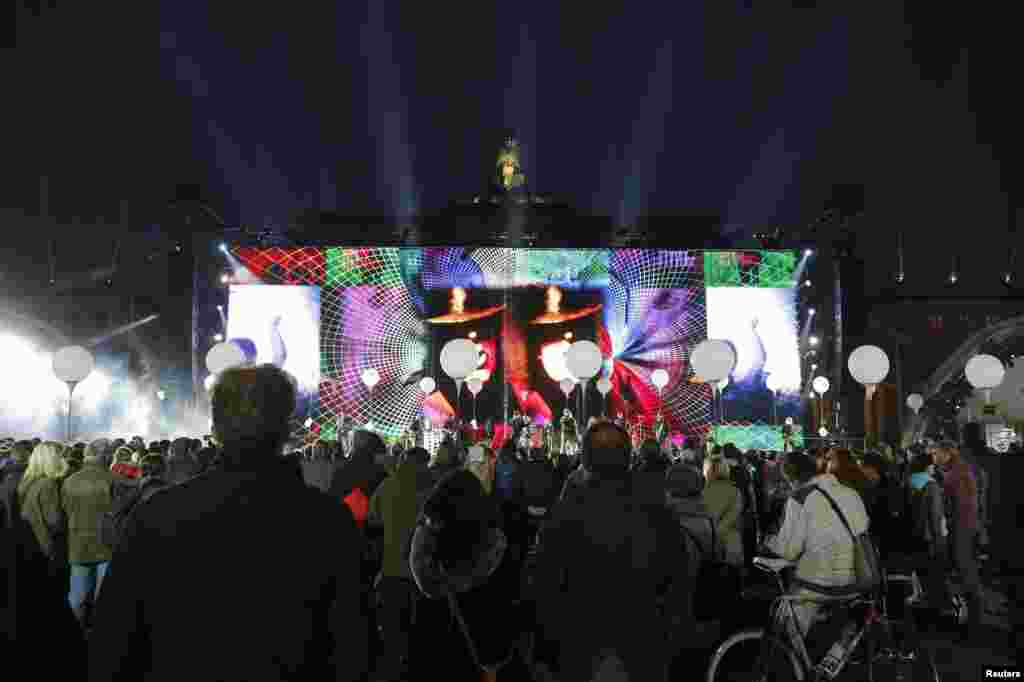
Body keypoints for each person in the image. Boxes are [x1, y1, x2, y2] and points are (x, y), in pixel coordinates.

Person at [88, 364, 368, 682]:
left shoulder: (159, 515)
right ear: (287, 429)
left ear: (216, 428)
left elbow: (113, 639)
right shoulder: (327, 522)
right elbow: (352, 646)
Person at [532, 422, 691, 681]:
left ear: (584, 460)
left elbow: (544, 587)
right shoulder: (659, 515)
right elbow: (677, 586)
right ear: (629, 458)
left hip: (578, 649)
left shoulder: (563, 515)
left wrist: (547, 654)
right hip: (643, 648)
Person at [409, 469, 517, 681]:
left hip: (432, 660)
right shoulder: (493, 551)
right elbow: (499, 620)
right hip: (476, 661)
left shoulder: (428, 554)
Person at [763, 450, 870, 655]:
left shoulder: (799, 498)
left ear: (790, 477)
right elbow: (862, 528)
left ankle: (794, 662)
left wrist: (770, 542)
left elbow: (789, 551)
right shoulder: (850, 492)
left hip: (817, 584)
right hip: (853, 580)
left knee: (786, 621)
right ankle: (832, 659)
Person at [368, 446, 434, 681]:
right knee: (421, 637)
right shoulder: (430, 490)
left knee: (393, 637)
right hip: (422, 576)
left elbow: (372, 517)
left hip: (391, 572)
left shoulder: (387, 486)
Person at [930, 440, 983, 638]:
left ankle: (973, 623)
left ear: (948, 453)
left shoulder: (957, 474)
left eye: (936, 454)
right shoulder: (958, 471)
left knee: (965, 571)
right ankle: (971, 619)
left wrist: (952, 528)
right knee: (964, 570)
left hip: (961, 528)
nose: (934, 458)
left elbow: (959, 506)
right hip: (964, 527)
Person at [62, 439, 116, 628]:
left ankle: (72, 637)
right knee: (104, 599)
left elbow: (65, 511)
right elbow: (117, 512)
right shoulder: (112, 479)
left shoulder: (69, 480)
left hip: (78, 543)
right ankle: (102, 641)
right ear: (105, 456)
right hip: (106, 545)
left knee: (76, 597)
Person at [17, 441, 70, 588]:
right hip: (46, 546)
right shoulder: (48, 484)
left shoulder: (26, 482)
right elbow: (54, 521)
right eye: (59, 456)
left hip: (29, 543)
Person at [702, 454, 744, 567]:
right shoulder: (735, 491)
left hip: (707, 544)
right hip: (730, 544)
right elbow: (732, 517)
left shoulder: (701, 492)